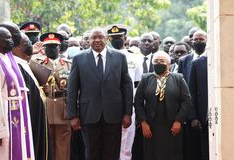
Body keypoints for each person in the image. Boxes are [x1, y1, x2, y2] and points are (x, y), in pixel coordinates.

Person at [67, 27, 133, 160]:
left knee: (112, 152)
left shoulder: (119, 57)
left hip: (113, 114)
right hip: (89, 114)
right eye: (93, 37)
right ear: (88, 40)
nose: (97, 40)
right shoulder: (79, 59)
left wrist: (127, 113)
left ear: (107, 39)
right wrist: (73, 115)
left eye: (100, 37)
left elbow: (126, 86)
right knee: (92, 153)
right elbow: (72, 89)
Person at [0, 27, 34, 160]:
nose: (12, 41)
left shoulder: (5, 59)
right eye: (8, 38)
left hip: (12, 118)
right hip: (2, 122)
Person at [134, 51, 191, 160]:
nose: (158, 63)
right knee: (151, 154)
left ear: (168, 64)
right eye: (156, 61)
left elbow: (186, 100)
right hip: (151, 125)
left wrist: (178, 120)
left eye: (162, 61)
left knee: (173, 154)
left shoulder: (178, 78)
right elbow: (138, 101)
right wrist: (143, 122)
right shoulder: (146, 78)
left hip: (172, 125)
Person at [13, 32, 53, 160]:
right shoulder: (17, 66)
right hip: (31, 121)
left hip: (37, 119)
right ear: (18, 47)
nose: (33, 44)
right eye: (28, 43)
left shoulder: (24, 62)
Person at [32, 32, 72, 160]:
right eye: (48, 46)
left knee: (63, 144)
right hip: (45, 106)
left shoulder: (68, 64)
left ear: (59, 47)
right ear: (44, 48)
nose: (51, 49)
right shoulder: (37, 63)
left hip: (63, 107)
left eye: (54, 46)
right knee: (47, 142)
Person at [106, 24, 142, 160]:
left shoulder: (135, 57)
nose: (116, 39)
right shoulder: (104, 56)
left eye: (119, 37)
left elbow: (138, 84)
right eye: (113, 37)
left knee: (126, 146)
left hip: (128, 105)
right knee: (109, 144)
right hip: (108, 105)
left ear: (125, 38)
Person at [187, 30, 209, 160]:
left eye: (202, 39)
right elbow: (192, 92)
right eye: (196, 39)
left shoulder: (220, 60)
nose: (199, 42)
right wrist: (193, 116)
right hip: (201, 116)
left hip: (217, 115)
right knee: (202, 151)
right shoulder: (196, 63)